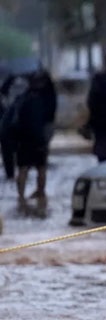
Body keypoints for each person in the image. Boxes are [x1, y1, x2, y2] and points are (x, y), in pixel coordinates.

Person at [12, 70, 56, 216]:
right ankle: (38, 193)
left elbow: (14, 120)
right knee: (39, 168)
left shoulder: (23, 98)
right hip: (38, 140)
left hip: (25, 140)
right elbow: (49, 120)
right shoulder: (47, 98)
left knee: (25, 169)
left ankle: (22, 197)